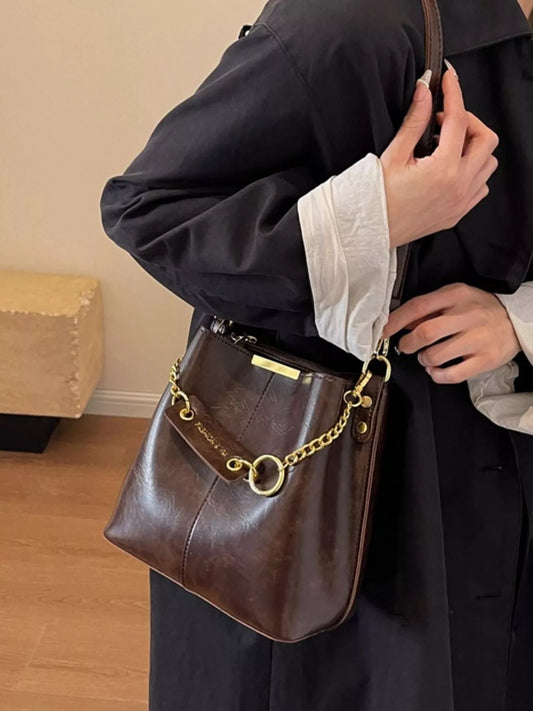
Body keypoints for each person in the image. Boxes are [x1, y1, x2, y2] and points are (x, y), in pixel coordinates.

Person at [99, 0, 533, 708]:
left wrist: (516, 319)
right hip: (337, 490)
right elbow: (149, 210)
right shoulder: (347, 23)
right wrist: (372, 218)